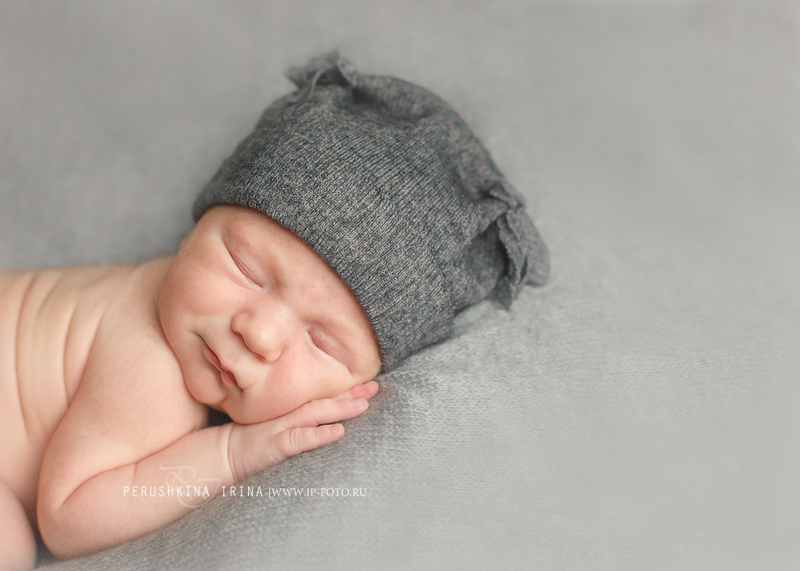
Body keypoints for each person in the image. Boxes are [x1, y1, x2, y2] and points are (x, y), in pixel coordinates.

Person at [0, 51, 548, 571]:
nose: (258, 334)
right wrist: (230, 454)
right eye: (245, 268)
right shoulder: (151, 369)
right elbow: (67, 516)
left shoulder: (181, 302)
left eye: (321, 342)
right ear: (195, 231)